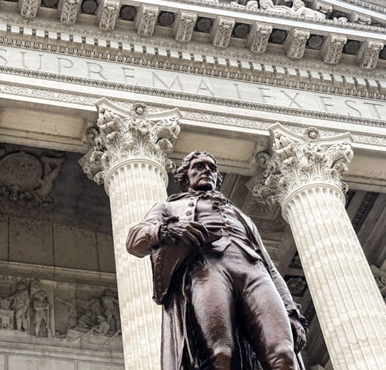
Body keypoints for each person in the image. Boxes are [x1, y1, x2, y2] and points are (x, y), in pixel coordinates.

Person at [126, 151, 307, 370]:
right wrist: (167, 229)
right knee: (219, 354)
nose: (207, 171)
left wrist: (291, 312)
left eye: (212, 168)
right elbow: (134, 240)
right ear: (185, 177)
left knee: (283, 353)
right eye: (199, 167)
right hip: (207, 270)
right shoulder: (168, 208)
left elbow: (270, 267)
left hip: (254, 270)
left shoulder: (241, 216)